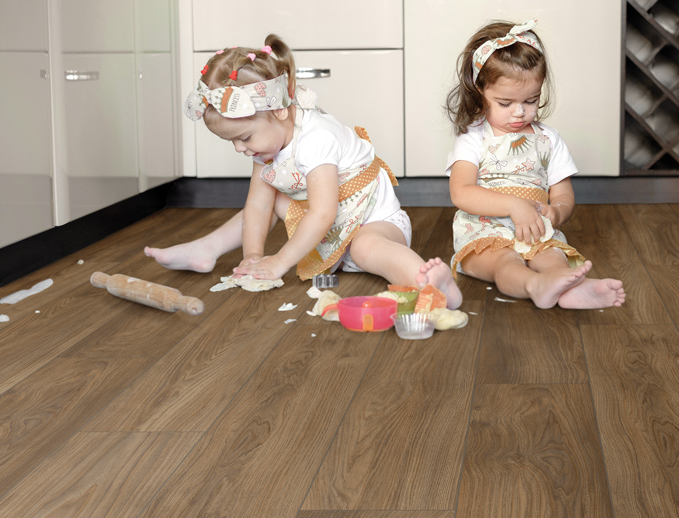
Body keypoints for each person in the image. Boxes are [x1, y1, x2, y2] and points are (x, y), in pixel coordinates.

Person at [145, 34, 461, 308]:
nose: (241, 149)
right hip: (326, 227)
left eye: (244, 138)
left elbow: (323, 214)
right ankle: (208, 248)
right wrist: (254, 256)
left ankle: (431, 284)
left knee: (366, 249)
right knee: (268, 197)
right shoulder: (267, 141)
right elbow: (257, 205)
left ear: (279, 109)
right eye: (233, 142)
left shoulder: (316, 137)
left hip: (372, 222)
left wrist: (280, 262)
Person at [444, 19, 625, 309]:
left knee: (552, 257)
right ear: (480, 93)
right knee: (506, 261)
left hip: (535, 229)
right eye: (505, 103)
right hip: (483, 231)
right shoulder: (473, 138)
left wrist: (556, 212)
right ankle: (534, 285)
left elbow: (563, 195)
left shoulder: (548, 139)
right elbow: (461, 192)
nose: (519, 112)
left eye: (531, 100)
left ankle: (566, 286)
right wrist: (513, 206)